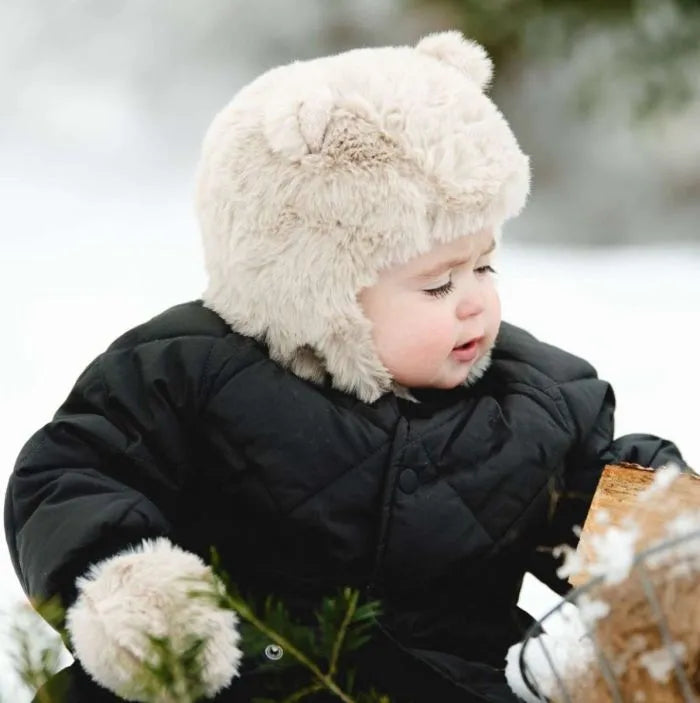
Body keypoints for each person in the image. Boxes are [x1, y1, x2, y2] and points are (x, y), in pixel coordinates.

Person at [4, 31, 687, 703]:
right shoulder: (189, 373)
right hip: (238, 676)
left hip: (454, 682)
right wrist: (136, 591)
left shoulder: (533, 402)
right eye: (438, 285)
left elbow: (603, 501)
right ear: (317, 286)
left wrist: (666, 550)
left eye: (484, 265)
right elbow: (73, 476)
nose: (476, 302)